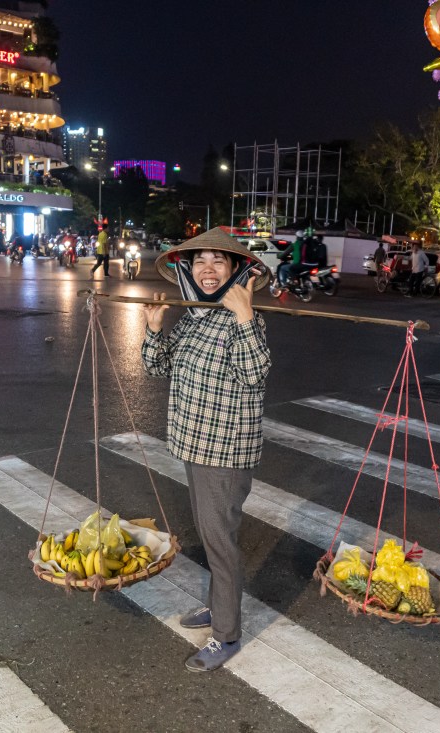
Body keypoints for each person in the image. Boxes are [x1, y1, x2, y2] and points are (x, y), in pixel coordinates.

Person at [142, 228, 271, 673]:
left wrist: (246, 316)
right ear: (189, 270)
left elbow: (254, 374)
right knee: (209, 533)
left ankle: (227, 634)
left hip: (225, 453)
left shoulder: (243, 318)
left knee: (220, 543)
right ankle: (219, 606)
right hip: (194, 444)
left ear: (236, 269)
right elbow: (157, 367)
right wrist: (154, 329)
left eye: (219, 260)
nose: (209, 269)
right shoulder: (195, 317)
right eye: (200, 261)